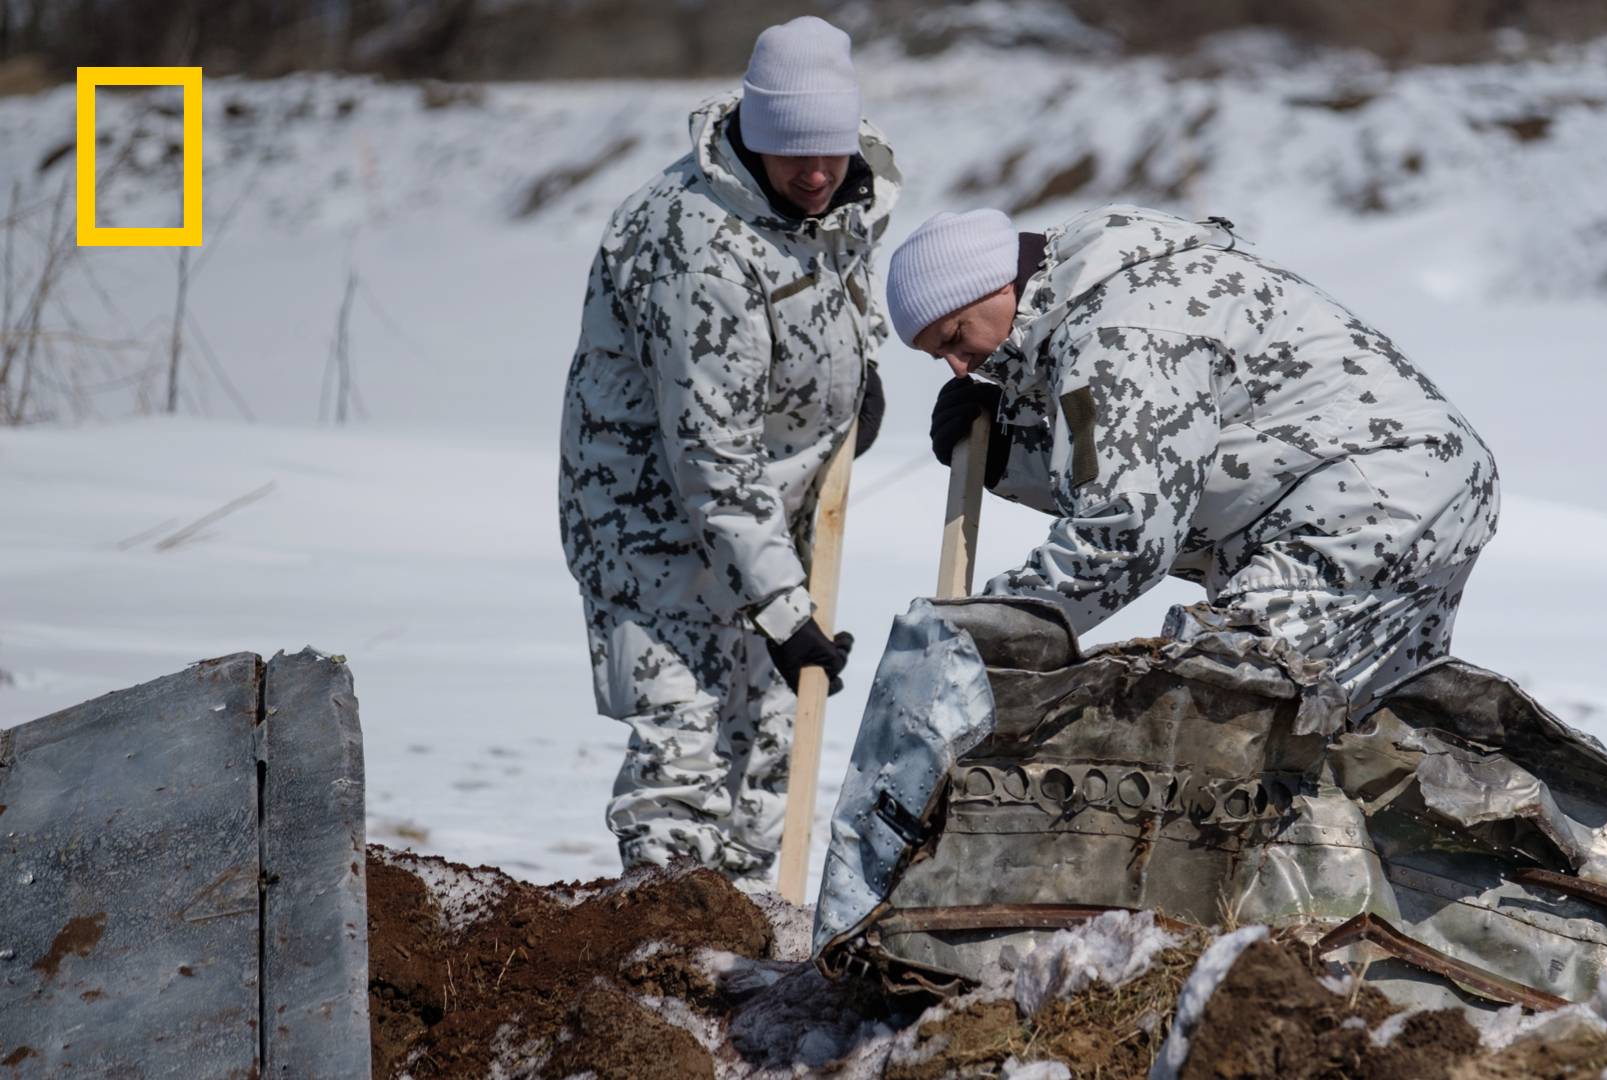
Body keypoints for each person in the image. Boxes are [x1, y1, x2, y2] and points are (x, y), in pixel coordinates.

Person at [885, 205, 1498, 711]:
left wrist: (980, 636)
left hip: (1365, 506)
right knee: (1342, 737)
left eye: (956, 337)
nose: (959, 367)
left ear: (993, 288)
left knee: (1212, 715)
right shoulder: (1092, 306)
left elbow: (1124, 533)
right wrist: (1010, 457)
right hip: (1388, 495)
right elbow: (1144, 468)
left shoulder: (1119, 332)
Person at [558, 16, 898, 882]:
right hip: (656, 524)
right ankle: (661, 965)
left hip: (769, 521)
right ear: (754, 135)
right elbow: (708, 456)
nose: (818, 174)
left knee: (768, 757)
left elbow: (830, 292)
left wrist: (863, 371)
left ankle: (748, 965)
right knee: (687, 746)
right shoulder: (695, 242)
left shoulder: (840, 194)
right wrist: (787, 615)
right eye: (795, 154)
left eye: (830, 151)